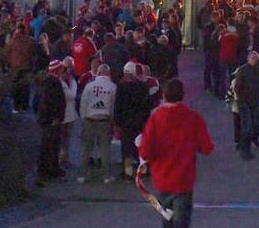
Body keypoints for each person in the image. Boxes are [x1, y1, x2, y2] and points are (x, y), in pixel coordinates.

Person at [137, 78, 214, 228]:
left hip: (162, 178)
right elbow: (207, 148)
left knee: (167, 217)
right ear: (183, 95)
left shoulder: (155, 118)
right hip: (184, 179)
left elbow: (145, 152)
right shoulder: (193, 118)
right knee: (182, 220)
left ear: (164, 95)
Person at [77, 63, 118, 183]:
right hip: (104, 120)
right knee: (105, 149)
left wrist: (83, 117)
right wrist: (112, 119)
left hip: (89, 118)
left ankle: (81, 175)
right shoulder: (112, 87)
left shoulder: (89, 86)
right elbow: (113, 105)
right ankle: (106, 176)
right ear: (108, 74)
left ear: (98, 73)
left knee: (86, 148)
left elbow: (83, 102)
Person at [36, 60, 69, 183]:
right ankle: (49, 170)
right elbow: (53, 102)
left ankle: (50, 169)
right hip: (51, 120)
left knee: (49, 145)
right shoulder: (53, 83)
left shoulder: (45, 83)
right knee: (50, 146)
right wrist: (55, 117)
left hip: (46, 119)